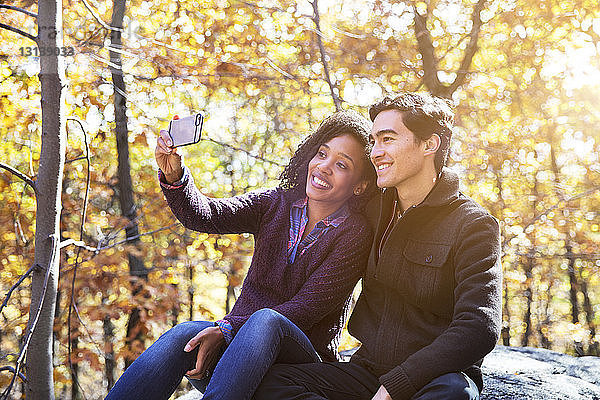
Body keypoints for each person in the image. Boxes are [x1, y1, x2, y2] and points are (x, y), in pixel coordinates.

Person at [104, 110, 378, 400]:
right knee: (185, 334)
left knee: (267, 319)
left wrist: (227, 329)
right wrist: (174, 177)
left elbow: (306, 308)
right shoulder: (274, 204)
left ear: (360, 186)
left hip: (299, 363)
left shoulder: (355, 234)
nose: (324, 167)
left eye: (342, 165)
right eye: (322, 154)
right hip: (238, 358)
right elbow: (206, 215)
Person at [254, 92, 503, 400]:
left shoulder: (473, 224)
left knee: (454, 394)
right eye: (374, 141)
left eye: (387, 139)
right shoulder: (371, 209)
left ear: (429, 144)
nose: (375, 153)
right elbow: (316, 204)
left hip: (435, 378)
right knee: (264, 380)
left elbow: (480, 327)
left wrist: (398, 383)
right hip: (366, 372)